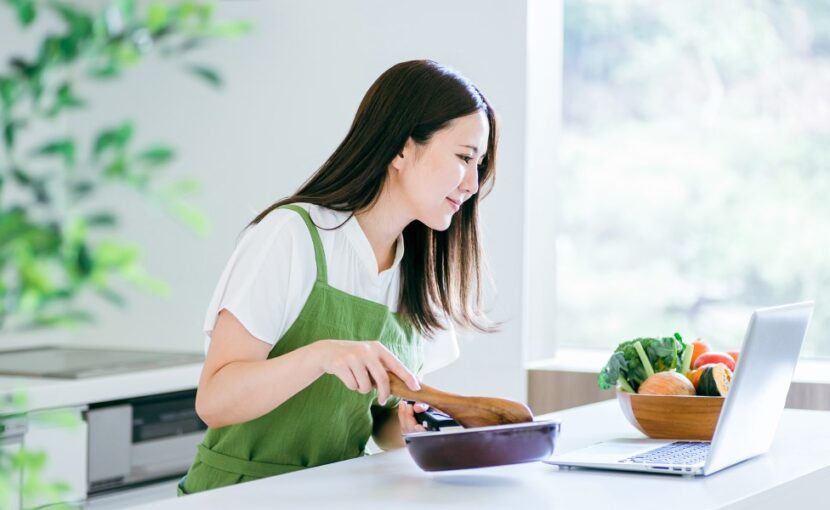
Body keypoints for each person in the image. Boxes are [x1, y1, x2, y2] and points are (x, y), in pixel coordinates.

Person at [178, 59, 499, 495]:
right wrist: (320, 356)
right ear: (402, 149)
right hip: (238, 496)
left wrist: (403, 428)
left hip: (334, 494)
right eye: (464, 158)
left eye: (479, 164)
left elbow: (371, 422)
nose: (472, 183)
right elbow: (214, 401)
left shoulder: (415, 270)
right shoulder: (291, 235)